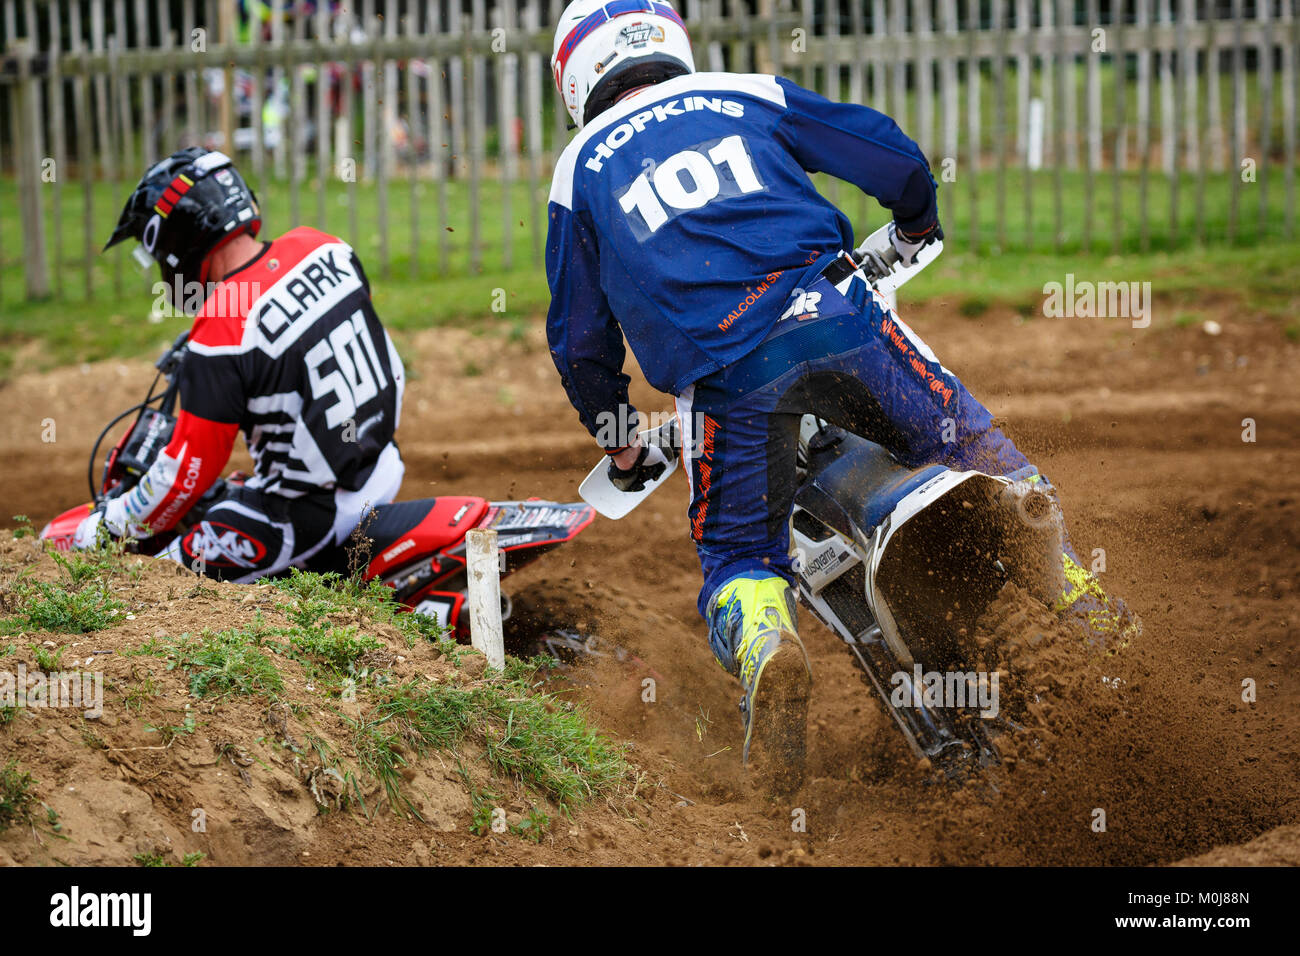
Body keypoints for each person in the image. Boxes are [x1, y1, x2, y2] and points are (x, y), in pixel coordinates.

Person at [544, 0, 1138, 781]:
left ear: (574, 76)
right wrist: (913, 224)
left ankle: (767, 642)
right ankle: (1087, 602)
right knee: (970, 442)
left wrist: (617, 433)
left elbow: (579, 335)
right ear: (671, 40)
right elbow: (885, 150)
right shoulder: (741, 92)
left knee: (734, 557)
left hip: (727, 375)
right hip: (836, 313)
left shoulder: (578, 167)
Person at [74, 147, 406, 582]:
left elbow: (184, 478)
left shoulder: (220, 330)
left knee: (148, 587)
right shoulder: (325, 247)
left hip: (305, 518)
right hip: (379, 465)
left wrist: (106, 524)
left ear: (176, 240)